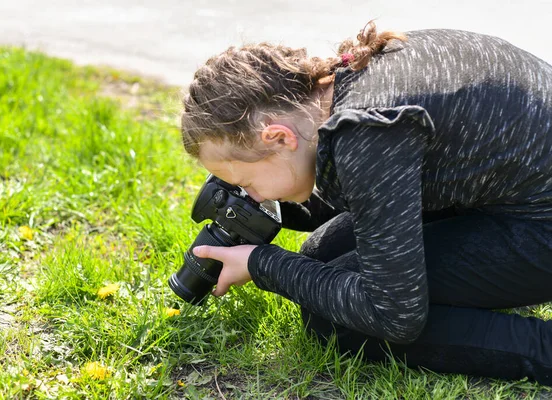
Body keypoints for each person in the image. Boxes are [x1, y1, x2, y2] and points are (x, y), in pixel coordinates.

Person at [180, 21, 552, 385]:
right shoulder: (343, 85)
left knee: (336, 322)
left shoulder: (367, 135)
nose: (252, 195)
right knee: (321, 255)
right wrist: (260, 218)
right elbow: (366, 190)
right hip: (510, 194)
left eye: (246, 182)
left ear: (279, 137)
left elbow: (394, 315)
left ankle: (542, 348)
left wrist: (261, 264)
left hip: (540, 227)